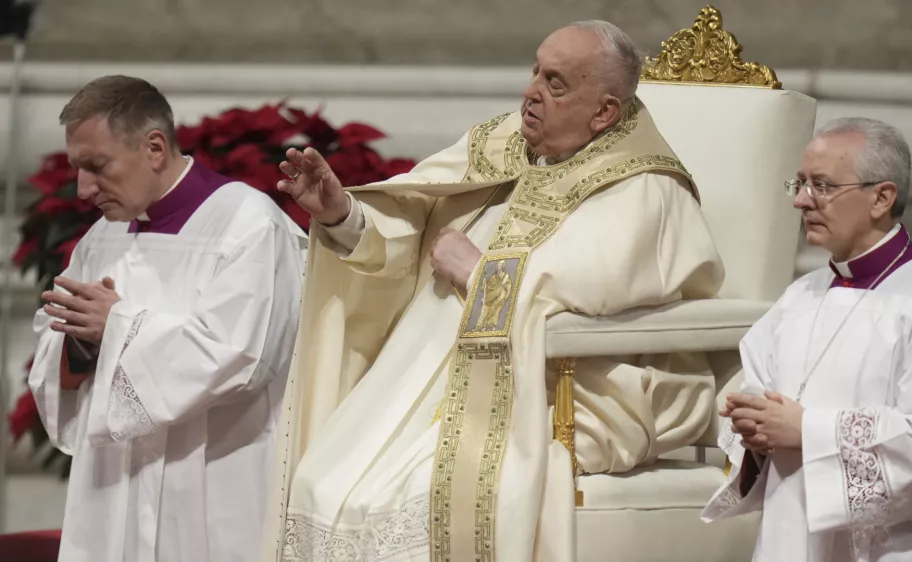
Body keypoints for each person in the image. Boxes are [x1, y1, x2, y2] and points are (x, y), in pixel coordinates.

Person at [263, 20, 725, 562]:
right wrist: (342, 214)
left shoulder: (644, 187)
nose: (530, 93)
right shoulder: (502, 143)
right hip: (427, 374)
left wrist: (481, 274)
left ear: (604, 112)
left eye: (555, 84)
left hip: (557, 389)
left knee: (415, 494)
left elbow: (588, 293)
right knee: (325, 479)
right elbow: (410, 231)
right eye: (535, 71)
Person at [27, 75, 307, 562]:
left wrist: (117, 328)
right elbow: (62, 337)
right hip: (115, 487)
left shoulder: (247, 225)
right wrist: (82, 342)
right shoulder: (102, 238)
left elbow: (241, 356)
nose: (83, 189)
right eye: (77, 168)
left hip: (211, 476)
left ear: (154, 147)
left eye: (96, 166)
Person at [702, 117, 912, 561]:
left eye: (822, 185)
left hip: (909, 544)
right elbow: (757, 393)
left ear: (882, 197)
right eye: (800, 183)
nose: (802, 201)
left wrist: (806, 429)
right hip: (795, 533)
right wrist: (751, 428)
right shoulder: (799, 296)